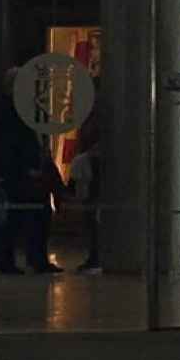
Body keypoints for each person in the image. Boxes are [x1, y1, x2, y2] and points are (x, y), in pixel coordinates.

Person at [0, 67, 68, 273]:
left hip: (33, 168)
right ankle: (7, 260)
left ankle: (35, 258)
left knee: (37, 214)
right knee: (17, 216)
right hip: (20, 172)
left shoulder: (30, 108)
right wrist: (22, 169)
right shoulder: (8, 111)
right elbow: (8, 144)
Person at [68, 110, 104, 274]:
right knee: (92, 224)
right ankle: (95, 256)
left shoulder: (87, 158)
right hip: (92, 190)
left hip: (93, 190)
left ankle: (96, 257)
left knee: (93, 225)